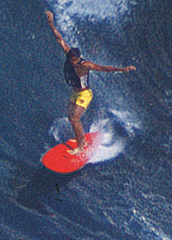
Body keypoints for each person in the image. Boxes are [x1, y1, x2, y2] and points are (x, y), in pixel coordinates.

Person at [45, 10, 136, 154]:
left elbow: (103, 68)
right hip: (75, 93)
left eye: (75, 60)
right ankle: (81, 138)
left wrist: (123, 69)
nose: (73, 63)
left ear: (79, 58)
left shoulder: (85, 65)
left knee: (74, 119)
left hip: (84, 94)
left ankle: (81, 146)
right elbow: (59, 38)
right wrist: (51, 22)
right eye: (71, 60)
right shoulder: (69, 54)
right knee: (71, 118)